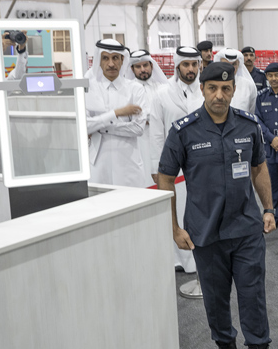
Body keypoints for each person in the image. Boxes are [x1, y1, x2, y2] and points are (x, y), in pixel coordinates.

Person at [157, 61, 278, 349]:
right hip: (205, 233)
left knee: (252, 295)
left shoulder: (246, 125)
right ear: (202, 89)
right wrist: (173, 228)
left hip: (245, 229)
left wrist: (269, 208)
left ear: (234, 90)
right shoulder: (183, 131)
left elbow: (259, 168)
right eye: (212, 88)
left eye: (226, 89)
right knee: (215, 300)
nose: (219, 95)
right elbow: (165, 180)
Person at [152, 45, 204, 275]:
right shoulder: (162, 94)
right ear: (177, 66)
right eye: (186, 64)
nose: (190, 69)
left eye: (194, 64)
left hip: (202, 163)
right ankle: (178, 259)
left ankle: (199, 258)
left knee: (199, 210)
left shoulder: (207, 90)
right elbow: (156, 133)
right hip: (172, 166)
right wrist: (157, 165)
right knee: (175, 211)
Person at [85, 39, 148, 187]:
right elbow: (84, 127)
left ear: (122, 60)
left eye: (115, 58)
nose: (111, 64)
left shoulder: (135, 89)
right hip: (98, 165)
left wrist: (100, 126)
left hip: (129, 164)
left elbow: (138, 129)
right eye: (105, 58)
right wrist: (117, 113)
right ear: (99, 61)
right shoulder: (89, 89)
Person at [255, 62, 278, 227]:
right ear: (266, 77)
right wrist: (271, 138)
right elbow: (257, 120)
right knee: (273, 186)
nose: (274, 78)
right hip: (269, 148)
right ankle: (275, 218)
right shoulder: (261, 96)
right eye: (270, 75)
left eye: (277, 75)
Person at [127, 49, 167, 186]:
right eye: (138, 67)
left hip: (161, 140)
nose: (142, 69)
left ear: (151, 66)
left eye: (145, 65)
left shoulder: (162, 88)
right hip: (138, 143)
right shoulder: (127, 91)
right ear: (132, 69)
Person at [216, 47, 257, 114]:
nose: (231, 68)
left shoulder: (248, 85)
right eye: (226, 64)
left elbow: (252, 110)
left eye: (234, 64)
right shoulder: (213, 83)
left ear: (239, 64)